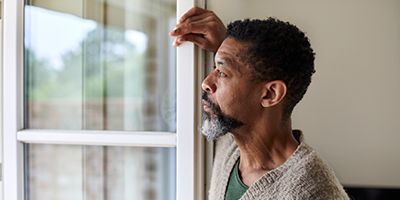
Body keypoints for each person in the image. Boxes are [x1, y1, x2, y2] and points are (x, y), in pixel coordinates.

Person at [170, 7, 349, 200]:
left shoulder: (312, 192)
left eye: (221, 72)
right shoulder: (232, 138)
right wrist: (223, 48)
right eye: (215, 67)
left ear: (270, 94)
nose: (206, 83)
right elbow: (171, 112)